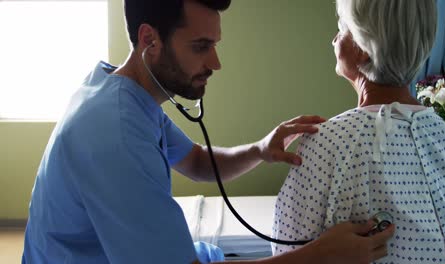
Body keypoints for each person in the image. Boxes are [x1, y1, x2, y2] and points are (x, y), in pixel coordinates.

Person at [22, 0, 394, 263]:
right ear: (150, 39)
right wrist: (321, 257)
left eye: (214, 45)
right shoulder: (114, 135)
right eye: (201, 47)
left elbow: (198, 163)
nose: (215, 63)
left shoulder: (123, 93)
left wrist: (260, 149)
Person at [272, 0, 445, 263]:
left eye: (341, 29)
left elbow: (286, 250)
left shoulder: (324, 144)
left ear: (364, 49)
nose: (333, 39)